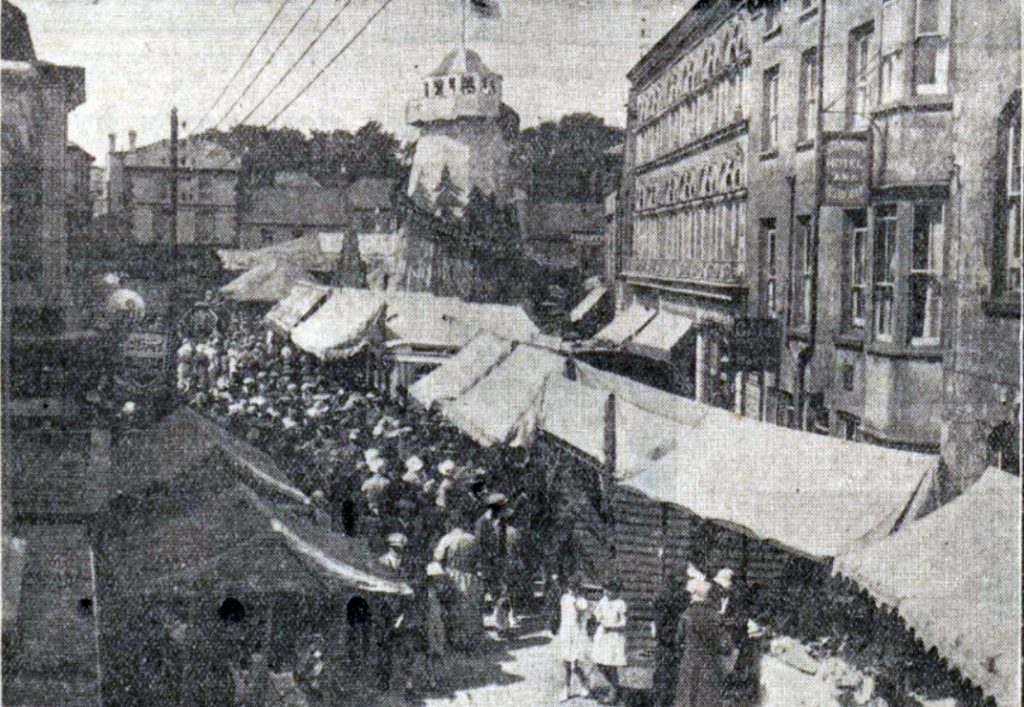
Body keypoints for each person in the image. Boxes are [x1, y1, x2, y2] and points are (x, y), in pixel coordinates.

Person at [674, 571, 731, 707]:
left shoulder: (686, 615)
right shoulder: (715, 617)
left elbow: (678, 641)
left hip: (689, 664)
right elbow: (726, 646)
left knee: (687, 699)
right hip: (710, 666)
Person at [556, 573, 592, 702]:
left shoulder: (582, 601)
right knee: (566, 663)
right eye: (570, 587)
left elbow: (587, 616)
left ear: (579, 588)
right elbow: (562, 615)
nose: (572, 590)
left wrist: (579, 604)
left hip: (576, 633)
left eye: (575, 587)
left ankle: (584, 684)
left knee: (575, 665)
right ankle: (566, 688)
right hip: (566, 632)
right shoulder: (564, 598)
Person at [592, 580, 628, 705]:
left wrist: (612, 627)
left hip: (614, 637)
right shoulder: (603, 601)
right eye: (605, 589)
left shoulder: (620, 603)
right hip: (602, 636)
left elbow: (624, 623)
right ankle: (615, 686)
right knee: (600, 664)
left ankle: (613, 694)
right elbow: (597, 614)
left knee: (611, 665)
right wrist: (599, 618)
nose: (606, 592)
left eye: (609, 590)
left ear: (616, 591)